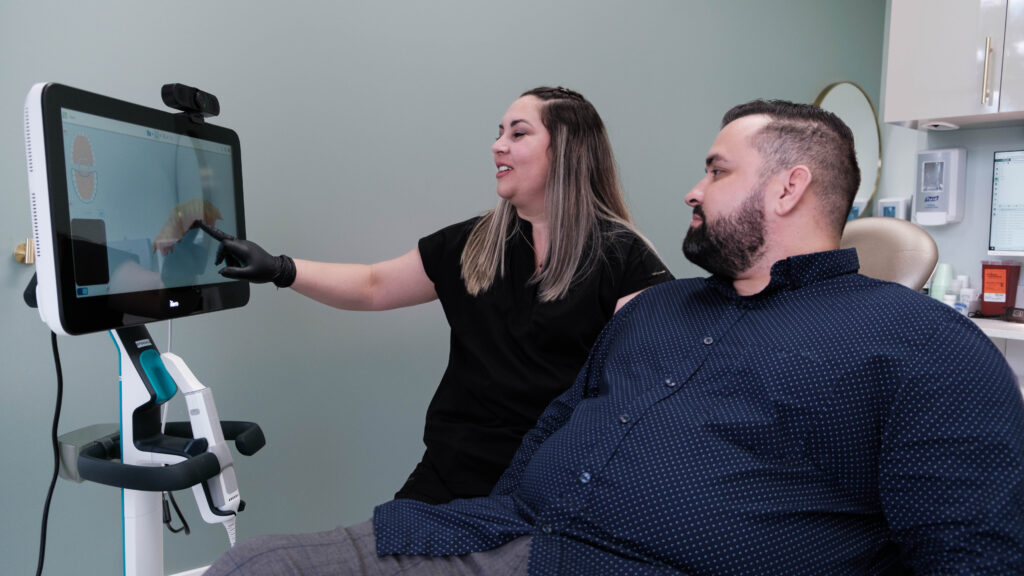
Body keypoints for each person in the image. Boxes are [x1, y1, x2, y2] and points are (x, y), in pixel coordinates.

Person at [206, 99, 1024, 575]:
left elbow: (973, 553)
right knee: (252, 566)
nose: (690, 190)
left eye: (714, 169)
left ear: (789, 187)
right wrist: (278, 266)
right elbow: (558, 423)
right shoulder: (659, 316)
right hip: (513, 527)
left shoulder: (925, 350)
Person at [201, 86, 673, 504]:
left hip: (555, 489)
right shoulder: (475, 244)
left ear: (567, 151)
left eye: (518, 133)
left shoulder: (622, 258)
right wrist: (280, 268)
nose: (497, 145)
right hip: (448, 480)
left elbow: (651, 384)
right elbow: (373, 286)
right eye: (499, 132)